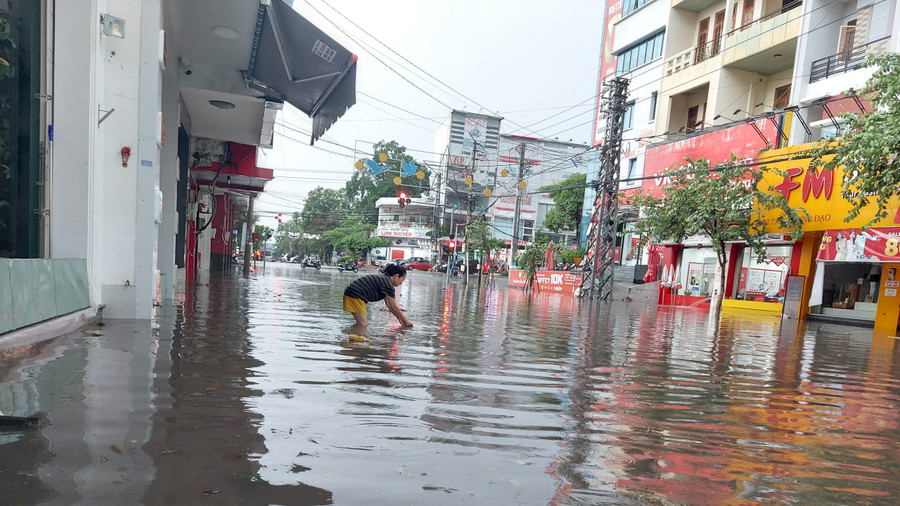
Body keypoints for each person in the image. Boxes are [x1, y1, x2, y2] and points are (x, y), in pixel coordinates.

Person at [343, 264, 413, 328]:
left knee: (361, 324)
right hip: (355, 295)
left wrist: (399, 318)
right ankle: (349, 337)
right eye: (402, 280)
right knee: (362, 325)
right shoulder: (387, 284)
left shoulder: (385, 280)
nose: (401, 283)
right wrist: (406, 322)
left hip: (352, 294)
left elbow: (390, 306)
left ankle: (351, 337)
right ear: (396, 276)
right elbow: (393, 306)